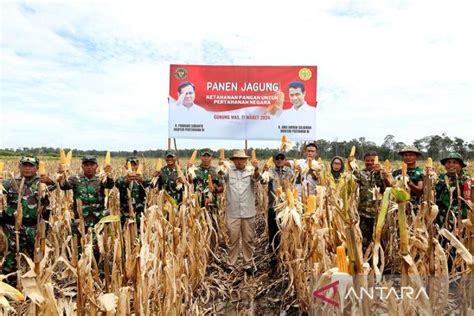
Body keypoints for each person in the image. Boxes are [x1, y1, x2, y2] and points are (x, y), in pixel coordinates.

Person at [0, 156, 56, 276]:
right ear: (19, 167)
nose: (27, 168)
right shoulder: (10, 183)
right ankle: (10, 283)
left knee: (36, 258)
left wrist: (50, 181)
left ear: (36, 168)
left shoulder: (42, 183)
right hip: (13, 228)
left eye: (31, 166)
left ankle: (34, 286)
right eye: (24, 165)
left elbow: (56, 185)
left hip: (34, 228)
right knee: (11, 258)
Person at [219, 149, 260, 274]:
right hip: (233, 211)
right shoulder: (229, 172)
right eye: (237, 159)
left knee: (248, 239)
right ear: (233, 161)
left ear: (246, 160)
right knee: (233, 239)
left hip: (248, 211)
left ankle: (248, 264)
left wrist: (257, 168)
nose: (239, 161)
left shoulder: (251, 171)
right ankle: (231, 264)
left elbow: (257, 178)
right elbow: (220, 175)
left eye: (242, 159)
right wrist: (220, 165)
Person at [58, 155, 115, 230]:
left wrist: (109, 175)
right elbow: (64, 186)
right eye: (86, 165)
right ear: (82, 166)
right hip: (81, 219)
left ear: (96, 166)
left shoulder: (101, 179)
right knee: (78, 241)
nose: (89, 167)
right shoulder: (75, 179)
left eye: (92, 165)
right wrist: (61, 176)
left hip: (98, 219)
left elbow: (109, 185)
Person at [264, 152, 294, 273]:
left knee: (287, 235)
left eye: (282, 158)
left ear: (284, 160)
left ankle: (287, 260)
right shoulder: (270, 172)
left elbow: (295, 183)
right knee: (274, 235)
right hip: (274, 208)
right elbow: (262, 181)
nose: (280, 160)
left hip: (287, 209)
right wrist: (263, 171)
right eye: (278, 159)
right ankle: (274, 261)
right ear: (274, 161)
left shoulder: (290, 172)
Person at [188, 149, 224, 248]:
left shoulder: (216, 171)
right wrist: (188, 170)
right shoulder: (195, 170)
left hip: (212, 204)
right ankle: (199, 250)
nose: (206, 158)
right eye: (204, 156)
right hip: (198, 205)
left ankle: (212, 249)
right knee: (199, 227)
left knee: (212, 227)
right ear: (201, 157)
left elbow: (222, 188)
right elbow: (189, 181)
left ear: (211, 158)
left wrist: (215, 189)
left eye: (208, 156)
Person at [353, 151, 385, 251]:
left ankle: (377, 264)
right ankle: (364, 263)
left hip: (379, 214)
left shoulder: (383, 174)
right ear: (364, 161)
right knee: (363, 241)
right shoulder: (360, 174)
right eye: (367, 160)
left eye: (372, 160)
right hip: (363, 213)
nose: (370, 162)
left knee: (378, 241)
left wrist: (380, 173)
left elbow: (386, 188)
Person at [435, 152, 472, 229]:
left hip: (460, 220)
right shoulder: (439, 178)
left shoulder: (467, 181)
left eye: (455, 162)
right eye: (448, 162)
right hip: (441, 219)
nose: (451, 165)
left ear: (461, 165)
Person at [115, 157, 152, 225]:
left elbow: (151, 183)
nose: (133, 167)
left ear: (138, 166)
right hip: (125, 213)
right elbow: (118, 183)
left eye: (135, 165)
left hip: (140, 213)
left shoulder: (142, 178)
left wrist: (141, 180)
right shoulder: (121, 179)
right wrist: (127, 180)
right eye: (130, 165)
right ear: (125, 166)